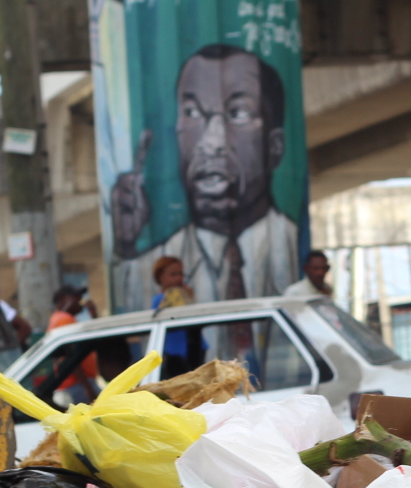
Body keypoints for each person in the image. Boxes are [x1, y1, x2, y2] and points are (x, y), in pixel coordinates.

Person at [109, 44, 300, 307]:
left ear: (275, 147)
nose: (212, 142)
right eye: (192, 113)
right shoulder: (144, 267)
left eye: (238, 113)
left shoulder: (296, 251)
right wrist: (126, 246)